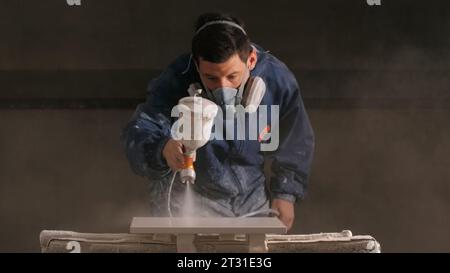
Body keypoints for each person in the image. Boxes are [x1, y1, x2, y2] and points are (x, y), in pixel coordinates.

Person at [121, 13, 314, 230]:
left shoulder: (276, 80)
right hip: (192, 190)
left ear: (251, 60)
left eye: (233, 77)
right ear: (196, 65)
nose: (223, 88)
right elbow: (140, 130)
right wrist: (162, 148)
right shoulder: (176, 79)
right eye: (211, 78)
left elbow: (296, 140)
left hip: (251, 196)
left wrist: (286, 192)